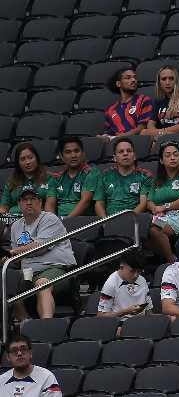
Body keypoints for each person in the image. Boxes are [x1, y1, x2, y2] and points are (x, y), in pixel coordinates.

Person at [9, 188, 76, 321]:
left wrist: (14, 252)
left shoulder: (49, 219)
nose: (29, 203)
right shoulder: (15, 226)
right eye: (25, 200)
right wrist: (7, 258)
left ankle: (46, 325)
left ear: (40, 202)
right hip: (27, 272)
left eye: (33, 199)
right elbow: (16, 258)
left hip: (55, 268)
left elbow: (40, 248)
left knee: (42, 284)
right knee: (9, 287)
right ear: (19, 204)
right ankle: (26, 325)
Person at [142, 141, 179, 263]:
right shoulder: (156, 180)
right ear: (161, 160)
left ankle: (171, 261)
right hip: (162, 216)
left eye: (175, 154)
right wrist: (155, 209)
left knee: (153, 227)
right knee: (141, 228)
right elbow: (149, 201)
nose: (172, 158)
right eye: (168, 155)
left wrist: (164, 207)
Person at [94, 137, 152, 218]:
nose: (125, 154)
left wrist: (128, 220)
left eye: (129, 151)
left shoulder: (144, 175)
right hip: (108, 220)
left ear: (134, 156)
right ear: (114, 158)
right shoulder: (105, 176)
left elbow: (143, 203)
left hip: (134, 220)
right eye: (121, 152)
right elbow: (99, 203)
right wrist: (105, 222)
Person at [45, 137, 98, 217]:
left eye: (76, 151)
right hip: (59, 222)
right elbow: (50, 204)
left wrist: (66, 222)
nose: (73, 155)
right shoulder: (57, 178)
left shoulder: (91, 173)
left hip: (82, 222)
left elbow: (85, 201)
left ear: (83, 153)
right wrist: (53, 222)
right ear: (61, 156)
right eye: (68, 152)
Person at [142, 65, 179, 137]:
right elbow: (150, 124)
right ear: (159, 83)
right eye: (164, 79)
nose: (167, 82)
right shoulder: (158, 100)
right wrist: (156, 133)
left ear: (176, 81)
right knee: (143, 132)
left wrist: (160, 132)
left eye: (171, 79)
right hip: (161, 136)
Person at [101, 67, 153, 139]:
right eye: (128, 78)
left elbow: (143, 127)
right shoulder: (110, 110)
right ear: (118, 84)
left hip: (137, 141)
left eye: (134, 77)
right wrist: (103, 137)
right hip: (116, 145)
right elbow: (108, 132)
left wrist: (122, 136)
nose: (133, 80)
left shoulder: (144, 100)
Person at [96, 253, 151, 321]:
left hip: (141, 322)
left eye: (139, 271)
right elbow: (101, 316)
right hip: (120, 324)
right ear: (122, 266)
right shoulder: (111, 283)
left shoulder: (142, 280)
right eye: (132, 271)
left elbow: (149, 311)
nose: (136, 275)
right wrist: (125, 312)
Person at [0, 143, 51, 216]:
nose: (27, 162)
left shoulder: (49, 178)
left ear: (37, 158)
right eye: (22, 159)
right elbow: (4, 206)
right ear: (18, 163)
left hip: (40, 219)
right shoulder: (11, 181)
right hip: (15, 220)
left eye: (30, 157)